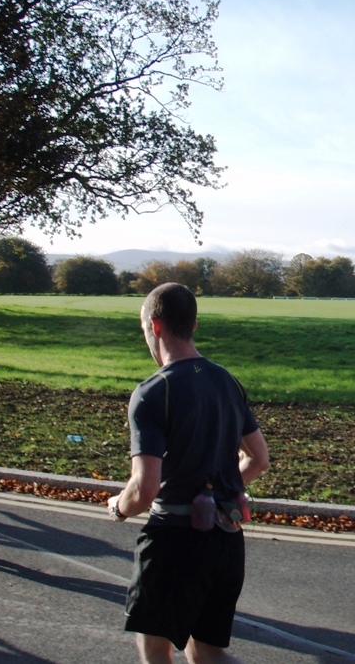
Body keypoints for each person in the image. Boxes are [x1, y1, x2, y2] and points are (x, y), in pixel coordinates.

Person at [107, 283, 270, 664]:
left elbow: (144, 490)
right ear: (193, 324)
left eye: (144, 330)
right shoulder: (227, 380)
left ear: (155, 325)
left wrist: (118, 507)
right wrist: (221, 492)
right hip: (227, 541)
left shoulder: (152, 391)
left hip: (174, 543)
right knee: (208, 652)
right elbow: (259, 459)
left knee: (155, 647)